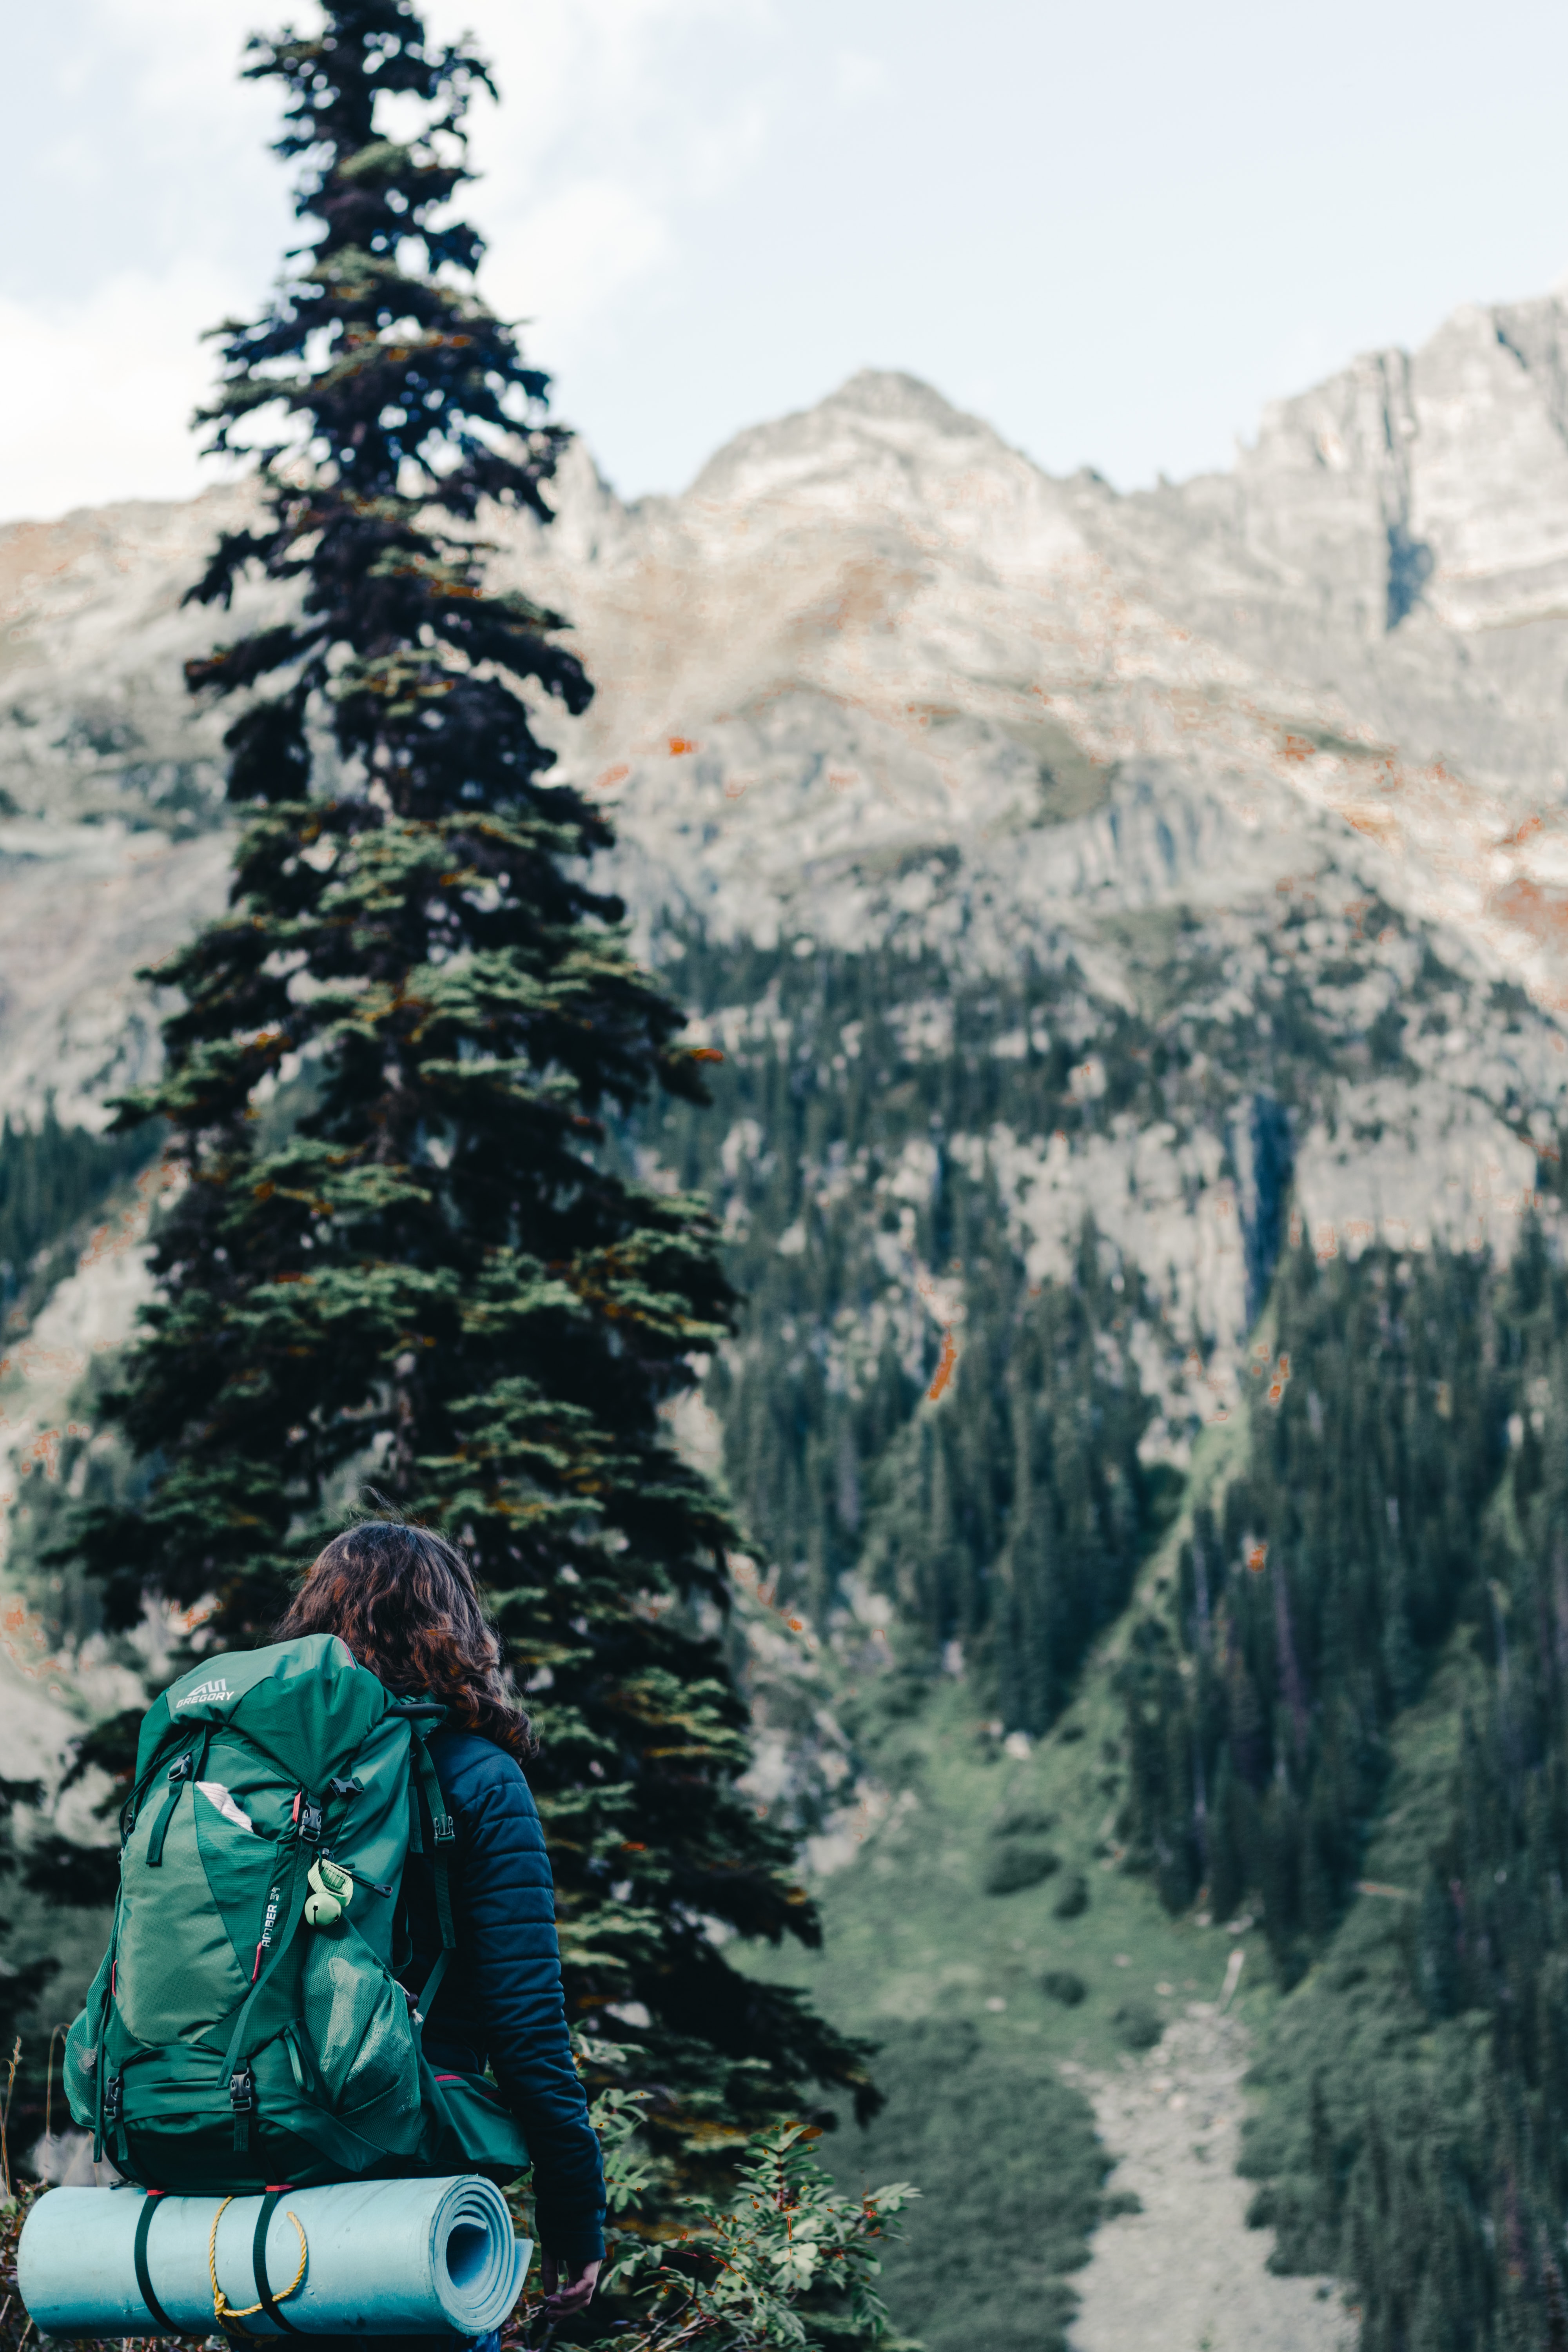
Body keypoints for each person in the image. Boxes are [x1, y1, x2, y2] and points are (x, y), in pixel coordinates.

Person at [276, 1517, 606, 2334]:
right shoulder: (479, 1779)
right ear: (452, 1627)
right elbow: (526, 2025)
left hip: (268, 2182)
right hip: (408, 2188)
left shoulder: (270, 1772)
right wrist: (574, 2216)